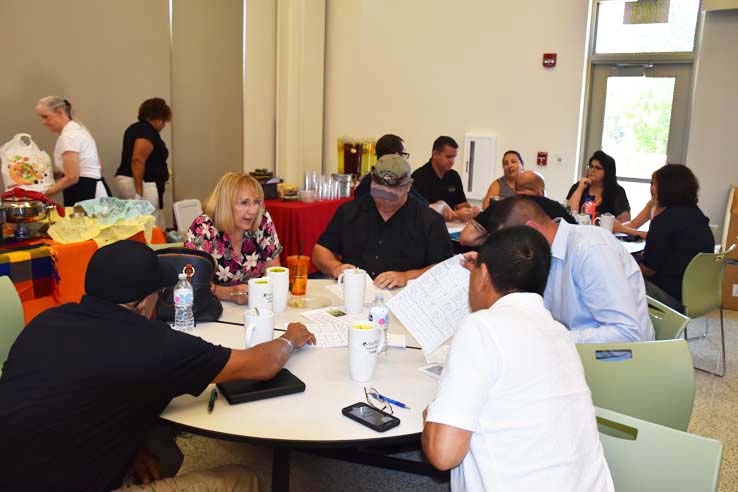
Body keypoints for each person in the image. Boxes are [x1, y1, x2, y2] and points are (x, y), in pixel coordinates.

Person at [0, 240, 315, 492]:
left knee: (161, 450)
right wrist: (291, 336)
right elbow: (261, 365)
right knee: (244, 480)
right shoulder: (154, 343)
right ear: (142, 303)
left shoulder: (45, 321)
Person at [423, 226, 614, 492]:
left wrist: (432, 413)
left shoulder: (480, 326)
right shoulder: (560, 333)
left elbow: (443, 454)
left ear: (484, 274)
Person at [483, 197, 653, 343]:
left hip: (620, 364)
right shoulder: (545, 252)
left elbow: (627, 333)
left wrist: (554, 340)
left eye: (511, 248)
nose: (511, 256)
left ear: (531, 231)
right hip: (578, 352)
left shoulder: (590, 249)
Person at [313, 154, 453, 289]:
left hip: (403, 297)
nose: (384, 199)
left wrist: (406, 276)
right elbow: (321, 250)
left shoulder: (429, 220)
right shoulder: (350, 211)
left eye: (392, 194)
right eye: (379, 192)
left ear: (408, 186)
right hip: (353, 292)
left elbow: (446, 268)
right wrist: (335, 267)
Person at [185, 172, 282, 305]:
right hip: (212, 307)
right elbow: (191, 282)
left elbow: (273, 271)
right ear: (226, 204)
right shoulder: (204, 227)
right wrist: (228, 293)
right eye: (244, 203)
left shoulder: (262, 220)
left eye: (256, 202)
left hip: (254, 306)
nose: (253, 210)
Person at [640, 164, 714, 312]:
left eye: (655, 184)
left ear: (668, 187)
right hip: (698, 295)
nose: (652, 189)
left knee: (618, 275)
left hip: (670, 298)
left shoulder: (664, 221)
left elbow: (648, 270)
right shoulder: (698, 216)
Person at [460, 170, 575, 247]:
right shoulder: (555, 207)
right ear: (541, 192)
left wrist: (498, 241)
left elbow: (466, 238)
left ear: (515, 191)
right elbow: (575, 237)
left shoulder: (499, 206)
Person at [35, 96, 110, 206]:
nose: (43, 122)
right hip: (92, 188)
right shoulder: (79, 130)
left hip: (85, 193)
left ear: (60, 112)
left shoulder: (69, 136)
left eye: (45, 117)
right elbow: (98, 166)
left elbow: (72, 177)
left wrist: (42, 194)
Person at [115, 98, 172, 227]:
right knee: (148, 226)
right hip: (142, 184)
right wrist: (139, 193)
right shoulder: (146, 131)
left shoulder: (136, 129)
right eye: (163, 121)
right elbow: (137, 160)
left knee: (140, 224)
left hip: (135, 182)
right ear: (158, 118)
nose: (163, 125)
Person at [411, 136, 480, 222]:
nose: (452, 161)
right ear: (435, 154)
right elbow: (422, 212)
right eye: (448, 157)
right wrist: (456, 215)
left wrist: (471, 211)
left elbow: (461, 203)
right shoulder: (419, 177)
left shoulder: (454, 176)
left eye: (454, 157)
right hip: (429, 226)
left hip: (453, 226)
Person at [353, 134, 427, 204]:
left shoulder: (368, 181)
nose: (405, 160)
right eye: (404, 154)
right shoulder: (391, 182)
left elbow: (423, 204)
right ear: (396, 156)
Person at [567, 150, 630, 222]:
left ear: (607, 171)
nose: (592, 170)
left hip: (605, 231)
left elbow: (625, 219)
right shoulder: (579, 186)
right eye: (591, 166)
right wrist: (580, 189)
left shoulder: (617, 191)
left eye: (598, 168)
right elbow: (568, 213)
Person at [614, 174, 664, 239]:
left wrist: (622, 229)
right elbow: (633, 224)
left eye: (657, 185)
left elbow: (656, 237)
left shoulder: (674, 211)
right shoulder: (652, 204)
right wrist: (614, 227)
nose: (652, 188)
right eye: (652, 183)